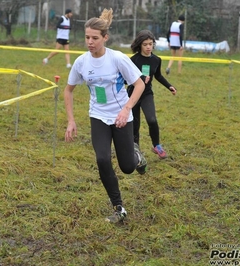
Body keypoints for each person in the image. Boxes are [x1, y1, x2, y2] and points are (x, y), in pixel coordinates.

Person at [64, 8, 147, 223]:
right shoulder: (81, 62)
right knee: (102, 159)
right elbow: (68, 90)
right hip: (98, 116)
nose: (90, 42)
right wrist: (71, 120)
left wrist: (127, 108)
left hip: (121, 117)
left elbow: (139, 85)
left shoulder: (117, 59)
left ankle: (136, 156)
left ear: (105, 38)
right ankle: (118, 208)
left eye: (94, 38)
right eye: (87, 38)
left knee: (127, 168)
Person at [128, 30, 177, 159]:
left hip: (146, 94)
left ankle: (157, 146)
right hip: (133, 95)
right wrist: (140, 78)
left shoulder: (156, 60)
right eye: (145, 44)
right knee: (135, 124)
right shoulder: (133, 60)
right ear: (140, 45)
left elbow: (159, 76)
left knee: (152, 120)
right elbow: (126, 79)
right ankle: (135, 150)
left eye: (150, 44)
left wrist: (169, 86)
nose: (148, 47)